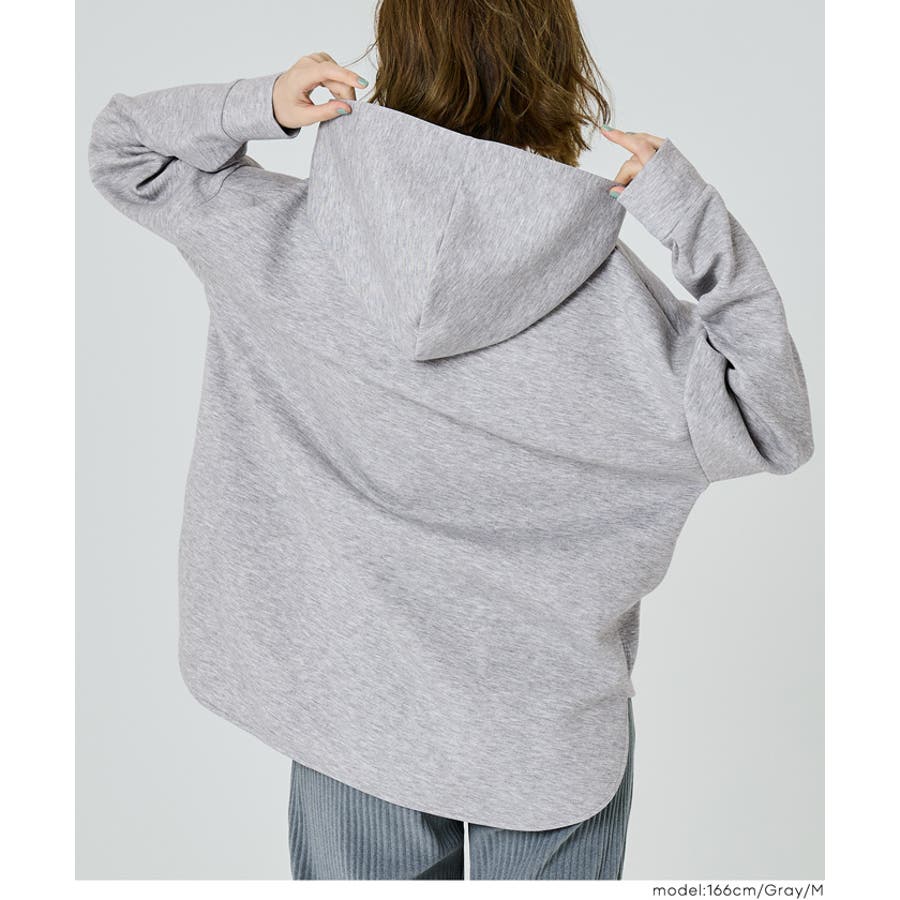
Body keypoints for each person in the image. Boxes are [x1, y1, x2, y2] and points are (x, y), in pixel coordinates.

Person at [87, 0, 814, 882]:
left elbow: (125, 150)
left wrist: (263, 104)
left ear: (395, 54)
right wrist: (691, 216)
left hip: (350, 713)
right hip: (543, 739)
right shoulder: (623, 322)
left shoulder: (275, 240)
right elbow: (773, 420)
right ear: (563, 71)